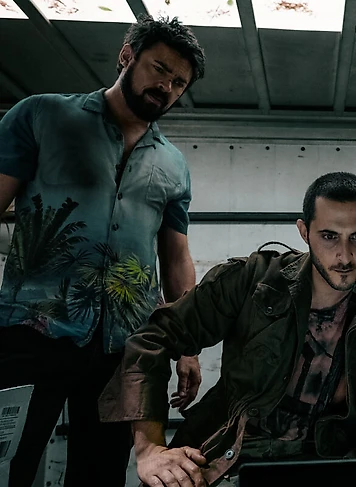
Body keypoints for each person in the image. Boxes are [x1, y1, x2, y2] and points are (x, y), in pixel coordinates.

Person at [98, 172, 356, 487]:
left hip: (329, 462)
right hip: (228, 456)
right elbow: (152, 340)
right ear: (304, 231)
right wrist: (150, 449)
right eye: (329, 236)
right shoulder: (253, 280)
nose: (345, 255)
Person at [0, 15, 206, 487]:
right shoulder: (42, 115)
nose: (166, 87)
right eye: (159, 69)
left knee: (101, 475)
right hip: (32, 330)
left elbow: (176, 259)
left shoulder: (174, 164)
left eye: (178, 83)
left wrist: (188, 347)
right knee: (9, 464)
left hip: (124, 350)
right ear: (126, 56)